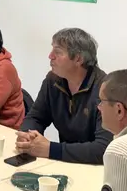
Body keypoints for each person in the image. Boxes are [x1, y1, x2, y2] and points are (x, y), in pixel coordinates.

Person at [16, 28, 110, 165]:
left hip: (94, 168)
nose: (50, 56)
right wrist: (27, 136)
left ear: (78, 59)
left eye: (58, 52)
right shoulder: (53, 80)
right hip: (65, 162)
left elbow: (103, 149)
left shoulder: (105, 90)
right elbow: (36, 117)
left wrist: (51, 149)